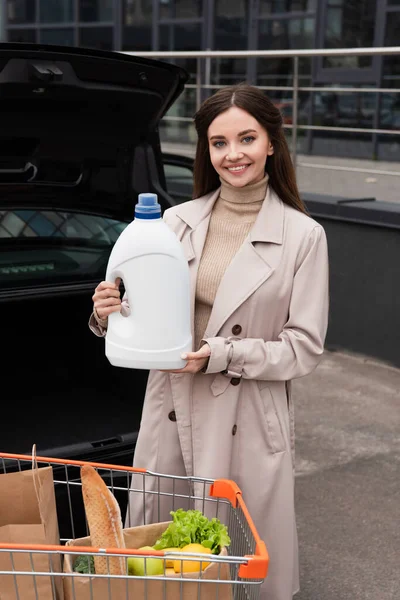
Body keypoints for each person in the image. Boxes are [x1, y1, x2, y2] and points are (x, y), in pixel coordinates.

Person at [89, 83, 329, 600]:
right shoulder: (175, 223)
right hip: (172, 405)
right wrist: (108, 311)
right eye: (218, 143)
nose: (232, 154)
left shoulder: (304, 235)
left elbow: (303, 347)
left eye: (246, 138)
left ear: (271, 143)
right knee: (165, 555)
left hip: (247, 406)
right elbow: (143, 313)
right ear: (207, 151)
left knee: (238, 553)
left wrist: (222, 354)